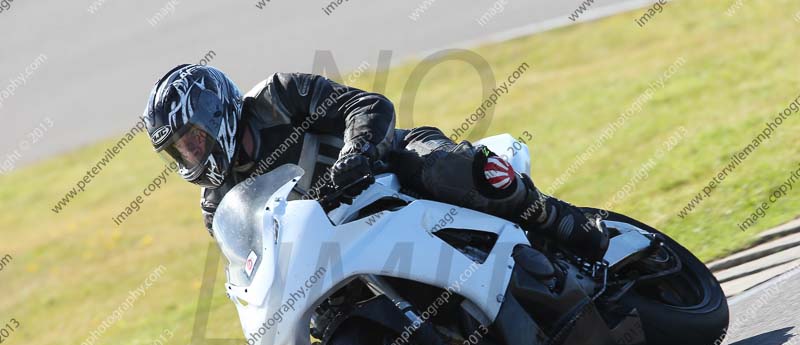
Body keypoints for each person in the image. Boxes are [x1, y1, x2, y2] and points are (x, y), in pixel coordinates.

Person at [143, 64, 608, 260]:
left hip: (388, 168)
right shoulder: (217, 203)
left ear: (215, 112)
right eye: (180, 151)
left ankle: (557, 219)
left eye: (193, 139)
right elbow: (246, 261)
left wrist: (356, 155)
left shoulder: (277, 98)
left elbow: (368, 106)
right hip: (338, 241)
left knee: (444, 169)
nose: (192, 155)